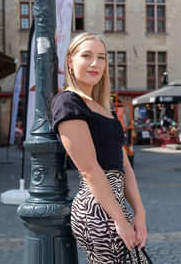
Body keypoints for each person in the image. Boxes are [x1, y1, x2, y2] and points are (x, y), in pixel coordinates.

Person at [51, 32, 148, 263]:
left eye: (101, 57)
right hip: (96, 207)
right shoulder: (68, 102)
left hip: (114, 205)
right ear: (70, 61)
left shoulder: (104, 107)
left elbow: (123, 164)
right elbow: (89, 169)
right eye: (87, 55)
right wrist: (120, 220)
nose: (96, 63)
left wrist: (140, 213)